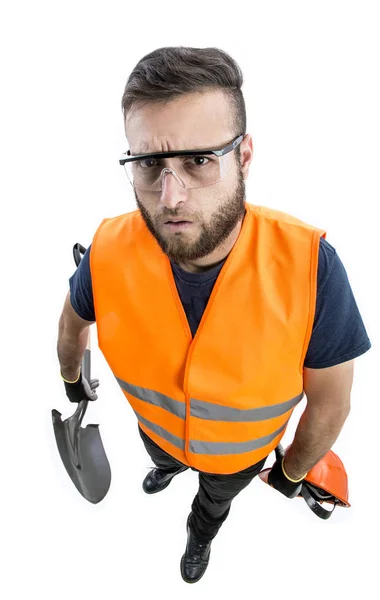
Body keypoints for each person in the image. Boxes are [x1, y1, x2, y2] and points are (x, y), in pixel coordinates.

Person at [57, 46, 372, 584]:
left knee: (214, 500)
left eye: (199, 160)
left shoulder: (311, 267)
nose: (170, 195)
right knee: (158, 450)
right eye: (149, 164)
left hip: (236, 460)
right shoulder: (108, 247)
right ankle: (166, 466)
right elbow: (72, 326)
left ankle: (201, 531)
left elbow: (331, 406)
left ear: (243, 157)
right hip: (154, 427)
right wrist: (70, 378)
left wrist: (292, 471)